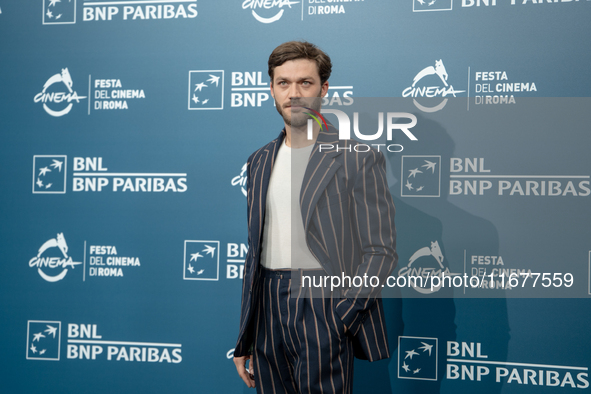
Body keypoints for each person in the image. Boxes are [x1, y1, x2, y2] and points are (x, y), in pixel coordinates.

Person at [233, 41, 397, 394]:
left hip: (324, 303)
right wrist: (245, 335)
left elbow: (380, 250)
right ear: (271, 89)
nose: (294, 93)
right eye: (283, 83)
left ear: (324, 89)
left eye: (305, 83)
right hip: (267, 307)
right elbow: (253, 252)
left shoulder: (356, 157)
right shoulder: (258, 161)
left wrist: (344, 313)